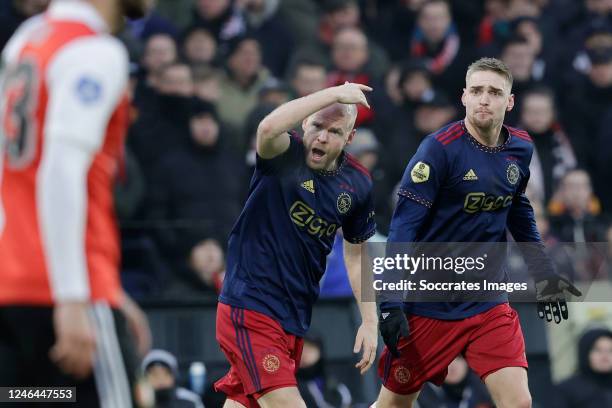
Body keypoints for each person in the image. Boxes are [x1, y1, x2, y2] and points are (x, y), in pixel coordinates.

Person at [371, 58, 582, 408]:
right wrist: (391, 302)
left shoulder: (521, 148)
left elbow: (518, 210)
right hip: (430, 302)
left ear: (509, 102)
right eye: (478, 91)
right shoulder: (438, 149)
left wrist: (544, 273)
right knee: (395, 404)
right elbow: (402, 228)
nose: (485, 99)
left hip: (487, 300)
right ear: (465, 96)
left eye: (495, 92)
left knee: (519, 403)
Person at [0, 0, 152, 406]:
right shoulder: (96, 50)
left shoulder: (25, 40)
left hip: (11, 290)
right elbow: (61, 168)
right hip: (69, 297)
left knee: (29, 398)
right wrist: (74, 295)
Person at [214, 82, 379, 407]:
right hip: (249, 306)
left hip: (292, 316)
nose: (321, 137)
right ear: (304, 123)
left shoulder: (358, 184)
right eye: (316, 125)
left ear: (349, 139)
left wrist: (371, 320)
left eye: (334, 131)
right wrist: (332, 94)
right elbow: (268, 126)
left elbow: (356, 252)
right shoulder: (283, 155)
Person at [554, 327, 612, 408]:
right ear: (585, 353)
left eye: (610, 350)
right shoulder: (567, 390)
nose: (605, 356)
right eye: (598, 350)